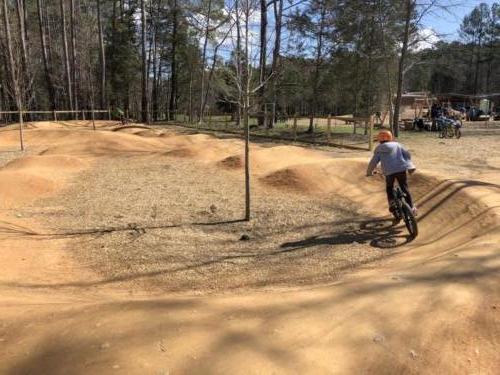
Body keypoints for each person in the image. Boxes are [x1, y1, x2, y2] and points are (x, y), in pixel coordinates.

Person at [366, 130, 417, 216]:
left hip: (388, 172)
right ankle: (411, 208)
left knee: (389, 187)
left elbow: (373, 162)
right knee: (404, 187)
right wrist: (408, 164)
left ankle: (392, 203)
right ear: (391, 137)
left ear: (379, 139)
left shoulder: (379, 148)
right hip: (401, 169)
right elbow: (407, 154)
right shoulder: (398, 145)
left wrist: (369, 172)